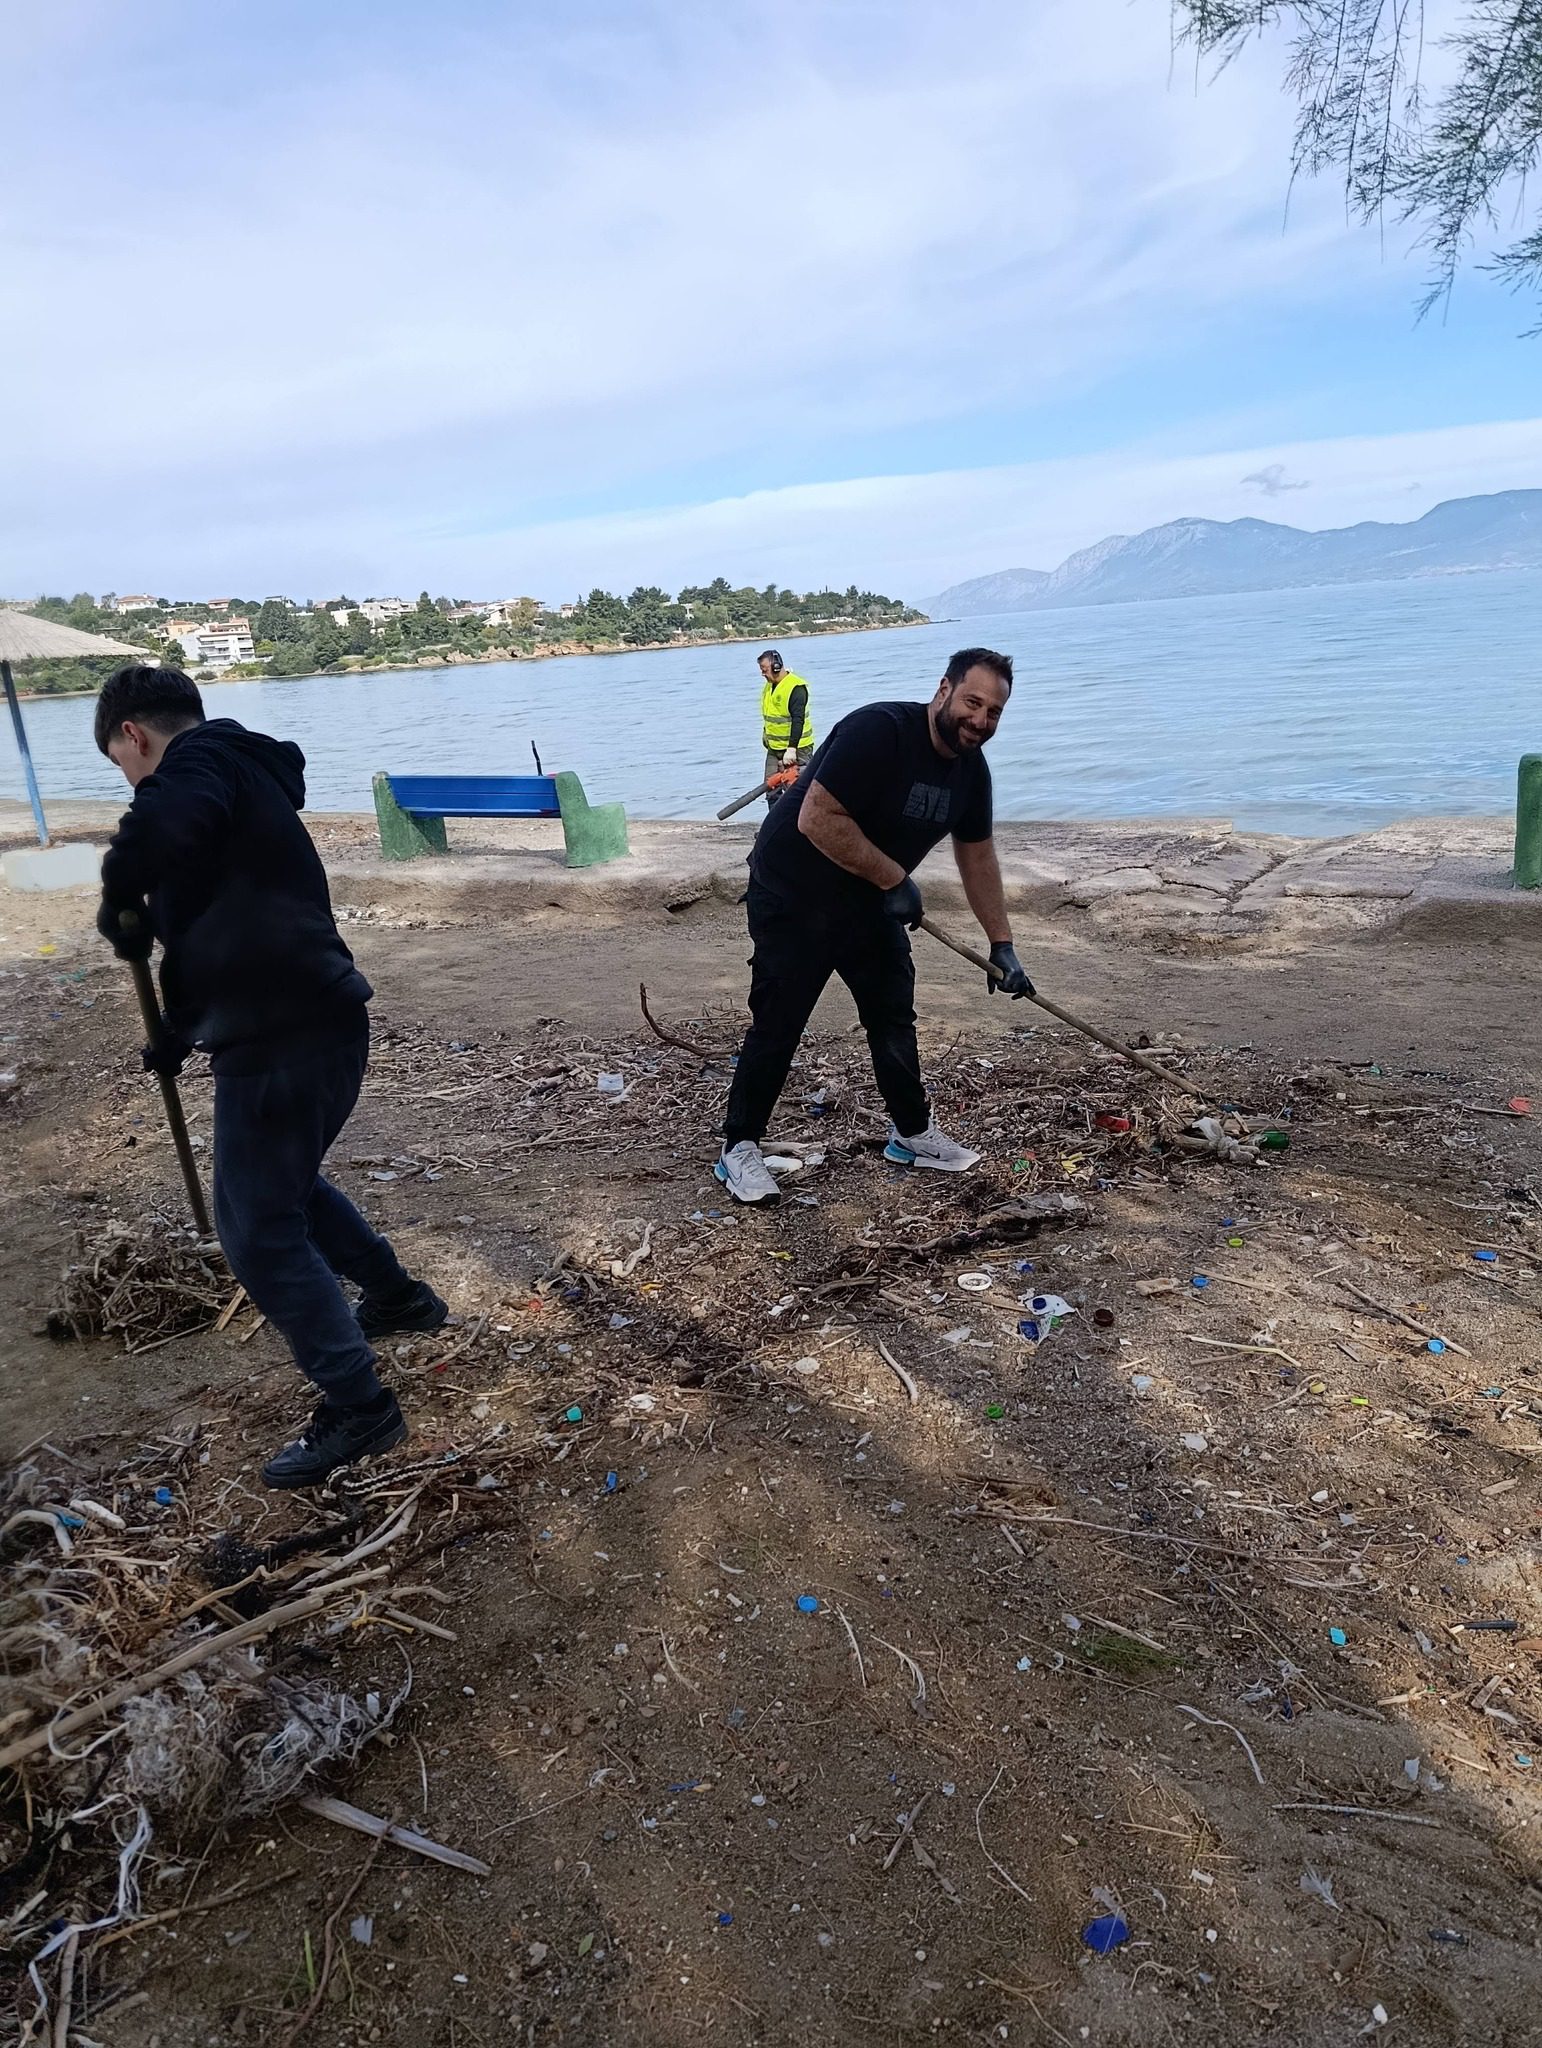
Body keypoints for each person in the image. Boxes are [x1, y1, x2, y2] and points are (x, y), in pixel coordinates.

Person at [92, 664, 446, 1488]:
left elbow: (169, 823)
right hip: (306, 1019)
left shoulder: (199, 765)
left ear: (133, 736)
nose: (133, 782)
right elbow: (239, 922)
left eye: (122, 765)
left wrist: (118, 885)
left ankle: (362, 1410)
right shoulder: (242, 771)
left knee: (254, 1228)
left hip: (288, 1037)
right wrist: (183, 1029)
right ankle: (398, 1300)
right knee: (288, 1189)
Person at [716, 647, 1033, 1204]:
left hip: (869, 901)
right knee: (780, 1020)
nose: (980, 721)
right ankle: (739, 1146)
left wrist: (1001, 944)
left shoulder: (970, 774)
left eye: (994, 712)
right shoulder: (878, 731)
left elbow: (977, 857)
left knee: (892, 1014)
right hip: (793, 894)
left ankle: (911, 1135)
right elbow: (817, 818)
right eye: (972, 702)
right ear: (944, 690)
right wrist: (894, 878)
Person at [756, 649, 814, 804]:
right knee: (771, 789)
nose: (762, 674)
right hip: (774, 748)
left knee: (798, 791)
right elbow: (771, 715)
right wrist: (766, 735)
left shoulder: (796, 687)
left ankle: (801, 826)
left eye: (764, 670)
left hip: (799, 749)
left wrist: (792, 748)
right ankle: (775, 826)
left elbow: (798, 720)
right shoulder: (769, 686)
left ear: (776, 667)